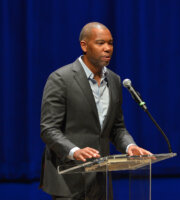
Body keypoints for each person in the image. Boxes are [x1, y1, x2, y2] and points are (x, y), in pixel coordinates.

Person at [40, 22, 151, 200]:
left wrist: (130, 146)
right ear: (84, 45)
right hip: (69, 177)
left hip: (100, 181)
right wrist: (74, 150)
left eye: (111, 43)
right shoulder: (61, 79)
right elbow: (49, 129)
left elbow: (117, 128)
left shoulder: (114, 80)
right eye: (100, 43)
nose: (108, 48)